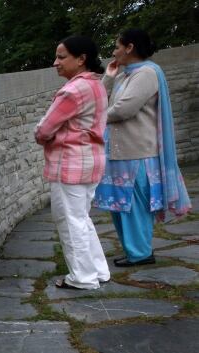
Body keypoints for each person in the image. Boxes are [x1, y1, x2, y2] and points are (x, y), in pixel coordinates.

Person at [93, 29, 192, 267]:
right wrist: (108, 77)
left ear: (129, 47)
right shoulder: (125, 74)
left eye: (117, 46)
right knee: (120, 205)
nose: (114, 52)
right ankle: (132, 250)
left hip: (137, 151)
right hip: (120, 150)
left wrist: (94, 120)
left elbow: (125, 109)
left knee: (134, 205)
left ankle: (141, 253)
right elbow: (99, 98)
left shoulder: (147, 73)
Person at [35, 36, 110, 289]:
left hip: (70, 165)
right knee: (82, 218)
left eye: (61, 57)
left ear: (81, 59)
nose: (55, 62)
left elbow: (44, 129)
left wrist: (47, 135)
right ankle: (98, 271)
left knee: (70, 221)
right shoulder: (96, 85)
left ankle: (83, 278)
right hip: (91, 162)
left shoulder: (71, 91)